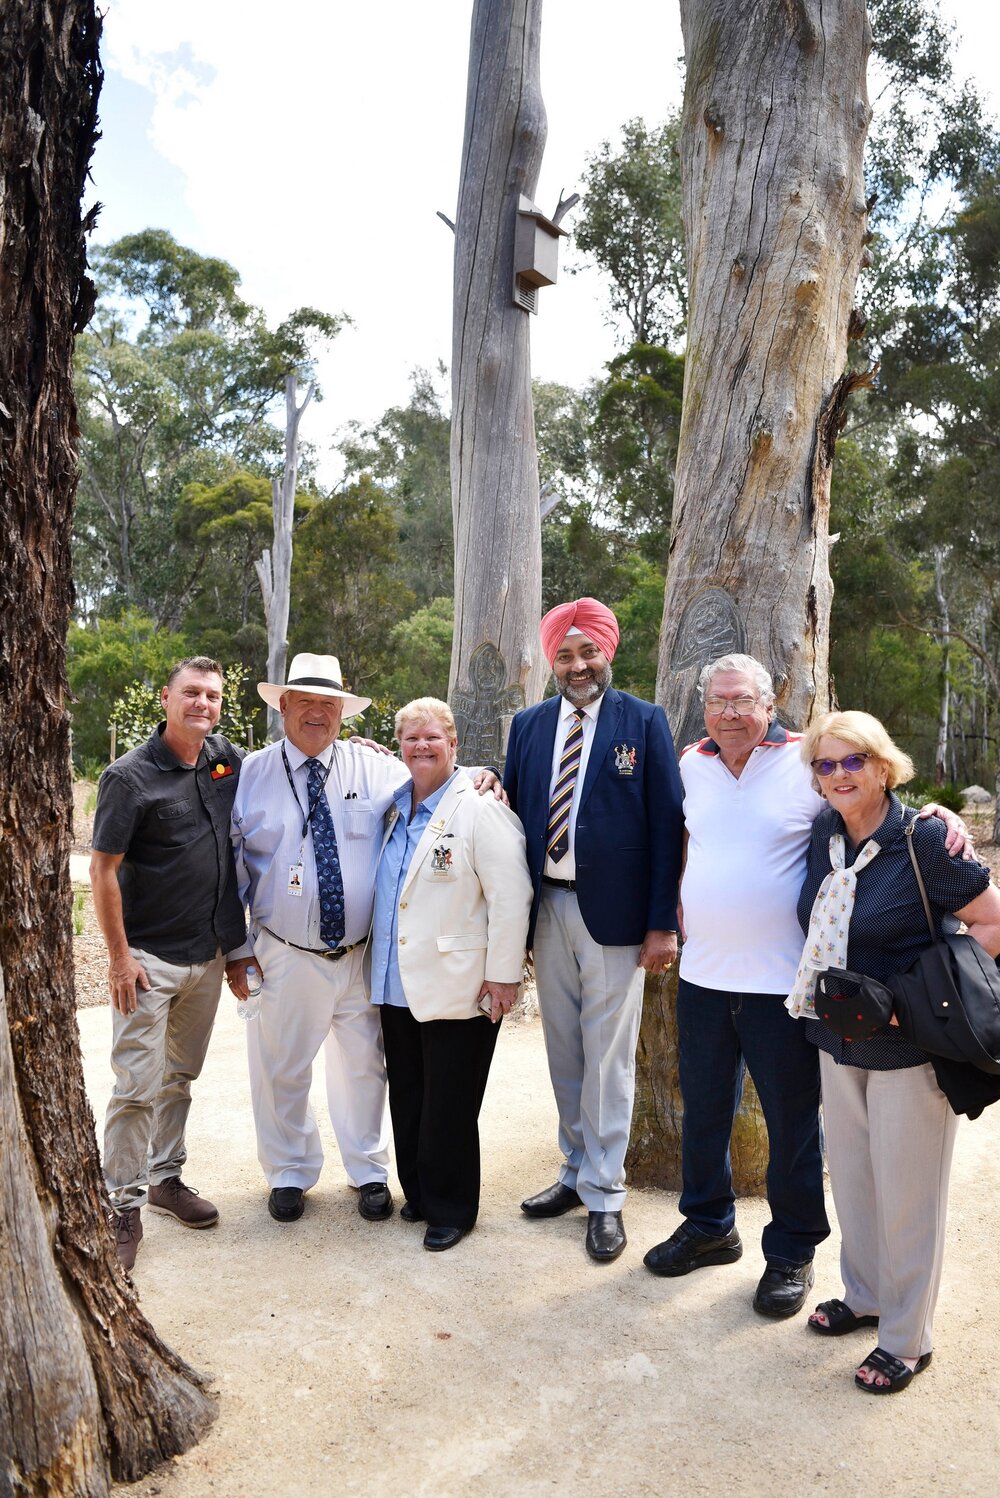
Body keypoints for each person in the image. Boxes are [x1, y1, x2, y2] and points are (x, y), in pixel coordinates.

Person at [643, 654, 969, 1319]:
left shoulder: (805, 763)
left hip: (786, 986)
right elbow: (681, 841)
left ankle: (792, 1251)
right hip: (703, 977)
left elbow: (868, 805)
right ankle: (709, 1226)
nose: (728, 712)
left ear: (770, 703)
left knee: (793, 1124)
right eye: (717, 701)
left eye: (742, 700)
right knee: (702, 1111)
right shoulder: (690, 765)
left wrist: (937, 816)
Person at [227, 653, 500, 1225]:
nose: (318, 715)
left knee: (364, 1068)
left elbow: (435, 773)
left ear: (342, 713)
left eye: (329, 705)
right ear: (283, 706)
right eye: (306, 703)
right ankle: (289, 1173)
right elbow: (227, 864)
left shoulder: (373, 767)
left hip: (360, 953)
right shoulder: (249, 774)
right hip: (283, 950)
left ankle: (369, 1172)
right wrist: (237, 948)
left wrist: (485, 773)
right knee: (281, 1067)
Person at [789, 711, 1000, 1393]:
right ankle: (867, 1293)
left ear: (884, 767)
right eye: (827, 764)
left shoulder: (926, 840)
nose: (841, 774)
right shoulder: (826, 832)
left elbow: (992, 922)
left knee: (910, 1196)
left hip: (910, 1050)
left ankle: (907, 1338)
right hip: (836, 1039)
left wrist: (913, 999)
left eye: (855, 761)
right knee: (853, 1181)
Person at [503, 598, 684, 1263]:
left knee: (608, 1057)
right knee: (564, 1051)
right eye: (565, 654)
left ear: (608, 652)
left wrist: (661, 923)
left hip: (617, 917)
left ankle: (606, 1194)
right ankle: (575, 1172)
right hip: (546, 908)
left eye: (588, 652)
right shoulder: (527, 725)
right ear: (551, 660)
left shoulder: (644, 720)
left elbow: (667, 826)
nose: (577, 665)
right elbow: (512, 806)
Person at [91, 655, 246, 1271]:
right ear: (166, 698)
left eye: (212, 695)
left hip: (206, 958)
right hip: (148, 962)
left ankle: (165, 1180)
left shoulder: (222, 760)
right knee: (136, 1086)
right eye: (191, 693)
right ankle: (121, 1206)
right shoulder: (129, 778)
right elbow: (103, 870)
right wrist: (119, 958)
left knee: (180, 1077)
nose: (202, 704)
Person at [370, 698, 532, 1251]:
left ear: (454, 743)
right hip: (396, 979)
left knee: (452, 1102)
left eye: (432, 738)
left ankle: (453, 1208)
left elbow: (512, 896)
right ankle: (417, 1191)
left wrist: (503, 977)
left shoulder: (480, 808)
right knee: (410, 1093)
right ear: (399, 745)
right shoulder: (393, 806)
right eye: (411, 738)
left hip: (461, 980)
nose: (421, 746)